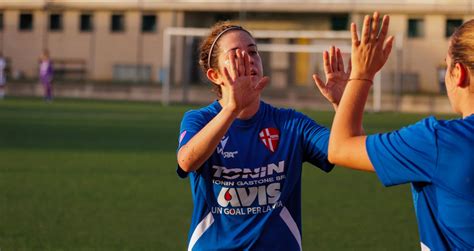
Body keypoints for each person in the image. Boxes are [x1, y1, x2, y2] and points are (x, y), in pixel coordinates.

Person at [176, 21, 351, 250]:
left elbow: (346, 149)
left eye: (253, 51)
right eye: (236, 55)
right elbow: (187, 161)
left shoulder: (290, 124)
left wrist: (344, 105)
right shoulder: (199, 120)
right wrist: (232, 108)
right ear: (215, 75)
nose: (249, 59)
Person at [327, 12, 474, 250]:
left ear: (459, 73)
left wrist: (362, 75)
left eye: (446, 67)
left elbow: (340, 147)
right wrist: (345, 105)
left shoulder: (437, 141)